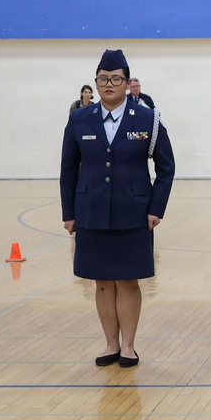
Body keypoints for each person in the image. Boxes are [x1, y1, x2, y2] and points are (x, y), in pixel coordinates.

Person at [60, 49, 175, 368]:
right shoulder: (79, 118)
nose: (108, 84)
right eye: (102, 79)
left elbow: (166, 166)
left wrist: (156, 208)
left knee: (127, 280)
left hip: (134, 212)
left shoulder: (148, 119)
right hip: (90, 211)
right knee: (101, 281)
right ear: (95, 83)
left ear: (127, 82)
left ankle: (128, 345)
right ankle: (110, 343)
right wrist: (69, 213)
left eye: (115, 79)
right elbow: (68, 168)